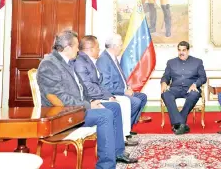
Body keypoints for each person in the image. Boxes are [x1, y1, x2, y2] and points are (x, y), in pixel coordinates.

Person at [36, 30, 138, 168]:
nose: (78, 50)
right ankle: (106, 166)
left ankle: (117, 152)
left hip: (77, 107)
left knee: (114, 107)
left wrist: (91, 101)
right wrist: (88, 105)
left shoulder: (68, 61)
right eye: (77, 46)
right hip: (63, 114)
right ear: (67, 48)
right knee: (105, 115)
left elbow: (81, 87)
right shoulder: (49, 64)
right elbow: (59, 99)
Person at [73, 35, 138, 146]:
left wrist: (109, 96)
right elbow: (87, 87)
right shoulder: (81, 62)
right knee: (120, 104)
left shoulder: (90, 61)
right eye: (98, 47)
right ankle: (119, 140)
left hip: (99, 95)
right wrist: (106, 97)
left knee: (125, 102)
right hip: (91, 100)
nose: (99, 49)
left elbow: (99, 84)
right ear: (91, 48)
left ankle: (123, 136)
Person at [96, 34, 147, 129]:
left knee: (142, 97)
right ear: (114, 46)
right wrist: (124, 91)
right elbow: (106, 86)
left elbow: (119, 77)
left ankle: (128, 128)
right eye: (120, 45)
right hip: (113, 94)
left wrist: (127, 87)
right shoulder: (104, 60)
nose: (121, 48)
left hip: (121, 91)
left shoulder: (113, 57)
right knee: (135, 102)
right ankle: (121, 128)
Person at [161, 41, 207, 135]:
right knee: (165, 94)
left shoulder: (197, 62)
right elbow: (166, 76)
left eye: (184, 50)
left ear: (188, 50)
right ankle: (182, 124)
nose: (181, 52)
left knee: (194, 94)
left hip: (190, 88)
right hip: (175, 88)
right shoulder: (171, 62)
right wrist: (163, 82)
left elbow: (203, 78)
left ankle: (178, 123)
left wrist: (195, 84)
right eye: (179, 50)